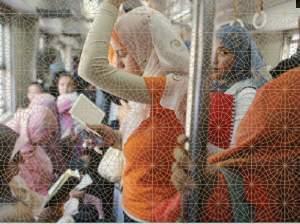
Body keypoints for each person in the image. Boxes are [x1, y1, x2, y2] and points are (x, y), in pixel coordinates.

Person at [78, 0, 189, 221]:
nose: (117, 65)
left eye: (122, 54)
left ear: (145, 50)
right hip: (134, 207)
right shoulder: (146, 98)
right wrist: (117, 138)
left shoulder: (171, 87)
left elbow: (90, 68)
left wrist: (110, 5)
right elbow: (159, 147)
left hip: (158, 215)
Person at [158, 66, 300, 222]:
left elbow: (246, 156)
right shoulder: (216, 90)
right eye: (215, 52)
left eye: (225, 52)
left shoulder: (250, 92)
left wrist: (212, 168)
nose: (215, 61)